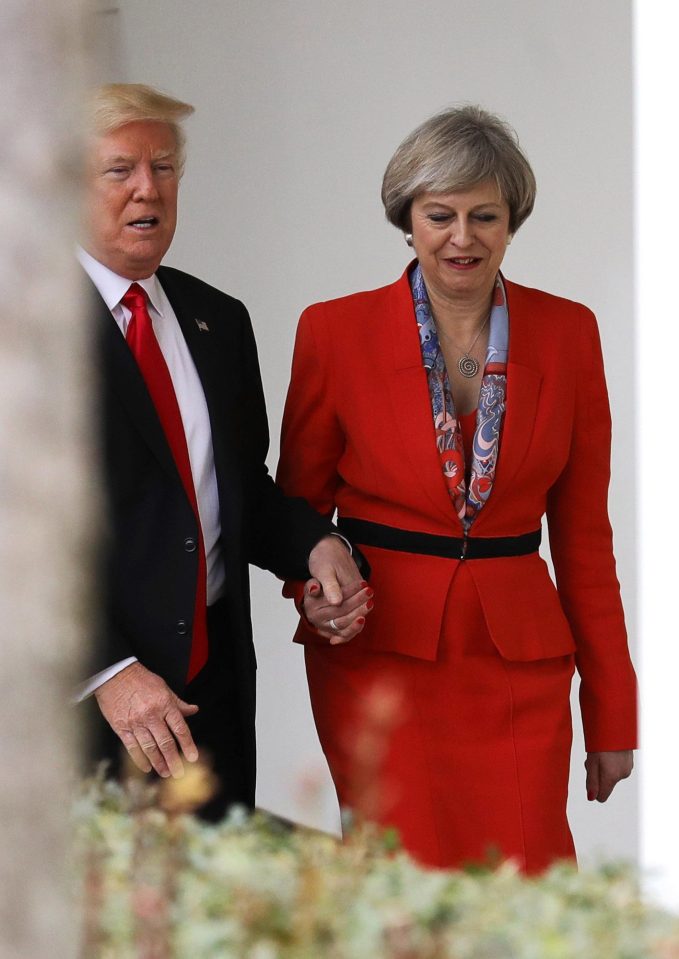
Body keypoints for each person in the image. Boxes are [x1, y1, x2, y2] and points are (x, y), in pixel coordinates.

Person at [276, 106, 637, 872]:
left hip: (519, 663)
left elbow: (583, 540)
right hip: (376, 657)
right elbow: (294, 512)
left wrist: (611, 711)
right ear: (406, 219)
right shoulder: (332, 332)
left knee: (527, 884)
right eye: (439, 215)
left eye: (485, 216)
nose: (461, 237)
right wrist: (312, 587)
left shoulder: (569, 333)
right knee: (399, 886)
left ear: (513, 222)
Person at [77, 83, 368, 820]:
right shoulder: (27, 333)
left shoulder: (217, 319)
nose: (149, 188)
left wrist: (316, 545)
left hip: (214, 698)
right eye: (121, 170)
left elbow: (239, 488)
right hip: (87, 714)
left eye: (165, 167)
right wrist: (106, 670)